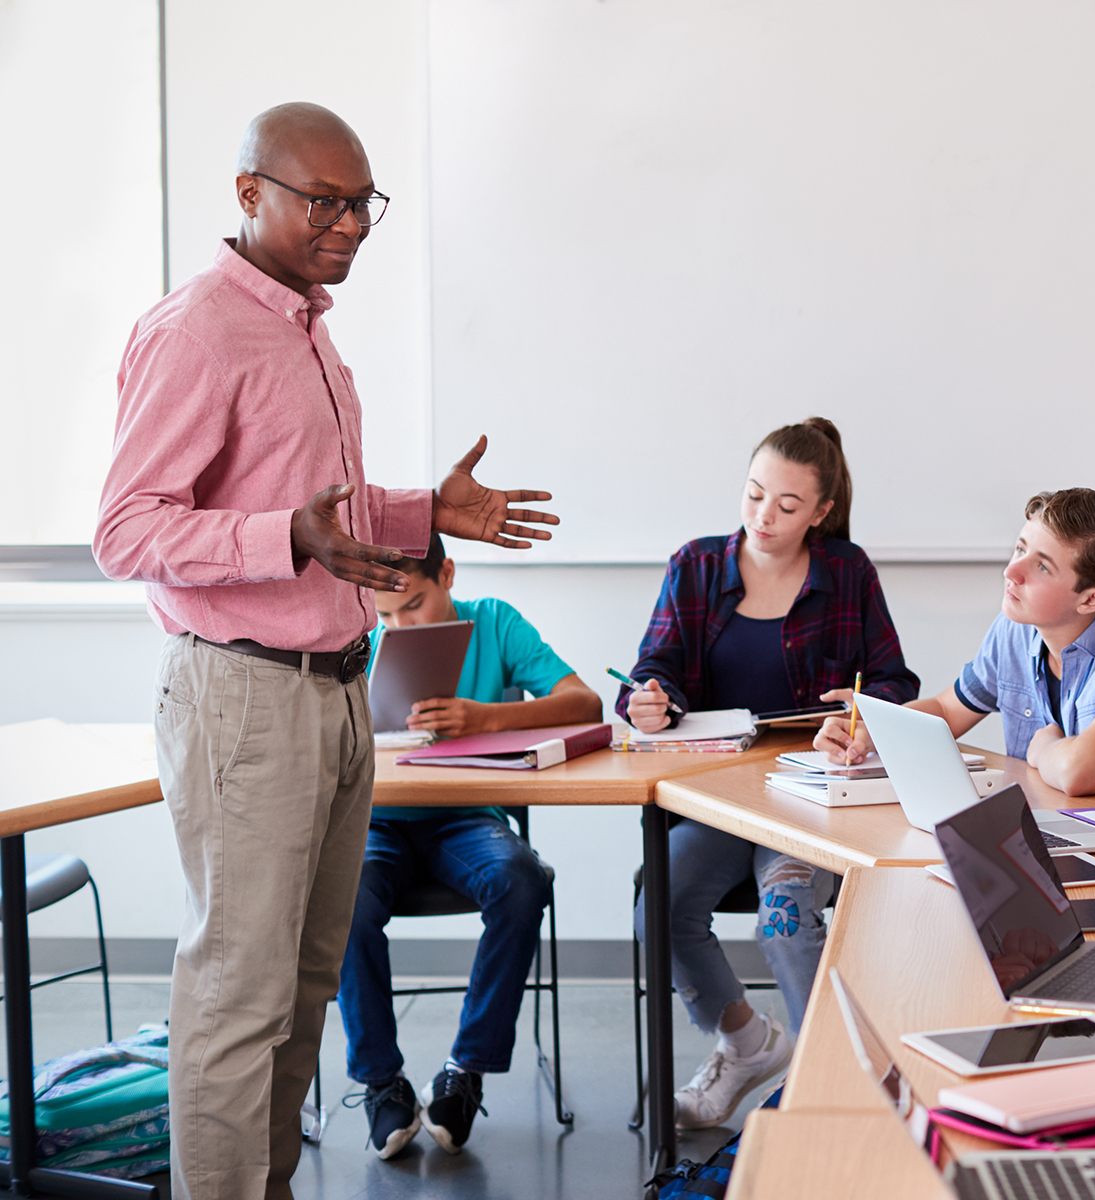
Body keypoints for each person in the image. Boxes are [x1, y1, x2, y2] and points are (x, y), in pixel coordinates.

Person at [93, 103, 556, 1200]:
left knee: (304, 988)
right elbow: (127, 531)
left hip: (338, 693)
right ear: (249, 194)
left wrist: (425, 511)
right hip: (245, 695)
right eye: (324, 201)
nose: (349, 224)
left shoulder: (306, 323)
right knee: (237, 996)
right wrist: (281, 538)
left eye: (362, 203)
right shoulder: (195, 329)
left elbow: (321, 514)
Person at [622, 418, 918, 1129]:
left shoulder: (846, 572)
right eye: (754, 495)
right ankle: (749, 1044)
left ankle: (836, 1082)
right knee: (656, 909)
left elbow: (894, 684)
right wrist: (650, 701)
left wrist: (859, 714)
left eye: (787, 506)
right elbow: (652, 669)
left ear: (821, 512)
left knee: (787, 920)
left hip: (809, 795)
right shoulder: (695, 566)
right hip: (721, 795)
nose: (763, 516)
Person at [341, 534, 602, 1158]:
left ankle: (466, 1072)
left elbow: (585, 703)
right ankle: (382, 1082)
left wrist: (486, 718)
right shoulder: (356, 642)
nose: (400, 627)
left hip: (466, 821)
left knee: (522, 880)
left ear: (448, 573)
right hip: (378, 822)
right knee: (341, 898)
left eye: (416, 604)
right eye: (385, 616)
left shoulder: (494, 623)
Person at [816, 487, 1095, 796]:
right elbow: (946, 709)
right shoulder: (1016, 628)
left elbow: (1081, 771)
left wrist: (1043, 748)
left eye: (1041, 565)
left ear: (1091, 599)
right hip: (1055, 822)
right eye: (1021, 548)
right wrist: (877, 734)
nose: (1012, 570)